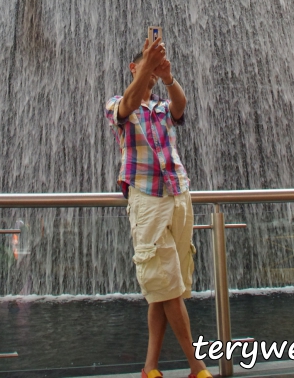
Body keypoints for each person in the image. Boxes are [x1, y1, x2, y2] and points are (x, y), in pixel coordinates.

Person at [105, 36, 212, 378]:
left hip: (178, 194)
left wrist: (167, 76)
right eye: (146, 68)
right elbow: (130, 100)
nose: (151, 75)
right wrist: (147, 67)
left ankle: (150, 367)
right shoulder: (117, 104)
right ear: (134, 68)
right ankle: (196, 365)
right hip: (147, 199)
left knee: (165, 287)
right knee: (166, 284)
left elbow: (181, 106)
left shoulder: (163, 107)